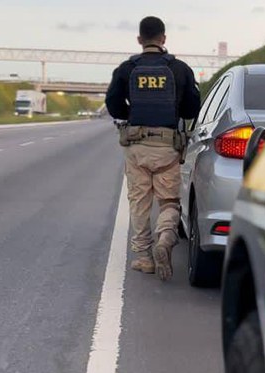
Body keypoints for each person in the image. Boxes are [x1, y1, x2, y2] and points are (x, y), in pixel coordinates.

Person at [105, 16, 201, 281]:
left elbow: (113, 105)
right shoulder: (180, 69)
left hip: (136, 146)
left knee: (139, 202)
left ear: (139, 39)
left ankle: (144, 258)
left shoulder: (127, 69)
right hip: (168, 146)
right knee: (169, 201)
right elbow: (193, 108)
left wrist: (133, 114)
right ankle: (166, 237)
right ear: (164, 39)